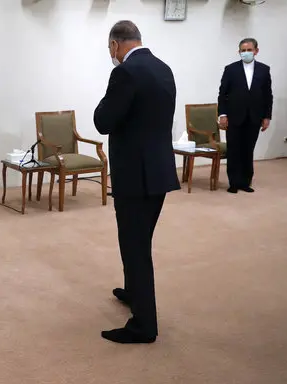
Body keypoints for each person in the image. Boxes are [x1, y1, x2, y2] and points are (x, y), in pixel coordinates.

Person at [93, 20, 180, 344]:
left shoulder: (125, 73)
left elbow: (103, 121)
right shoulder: (163, 68)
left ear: (116, 44)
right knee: (139, 241)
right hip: (159, 172)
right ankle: (134, 292)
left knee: (135, 247)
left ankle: (144, 325)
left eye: (110, 48)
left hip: (135, 176)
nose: (111, 54)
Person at [217, 38, 273, 193]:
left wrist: (267, 116)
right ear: (239, 52)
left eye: (249, 50)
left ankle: (245, 182)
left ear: (256, 51)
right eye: (243, 50)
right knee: (234, 149)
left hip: (254, 116)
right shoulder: (231, 69)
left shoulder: (264, 70)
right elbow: (222, 94)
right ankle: (234, 183)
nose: (246, 53)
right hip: (234, 115)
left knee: (248, 149)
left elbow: (268, 95)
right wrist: (222, 114)